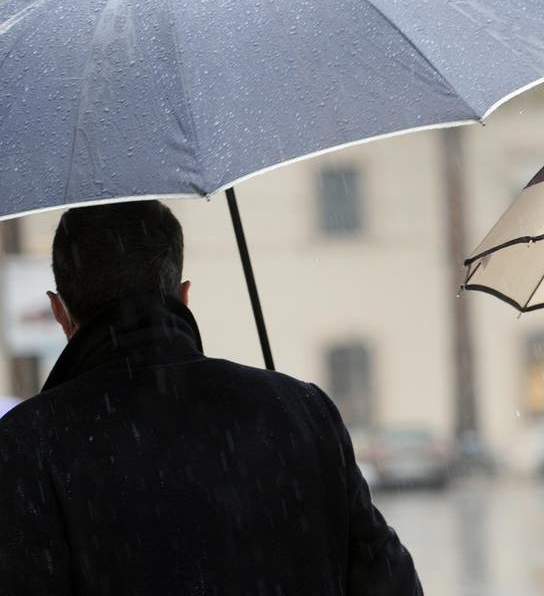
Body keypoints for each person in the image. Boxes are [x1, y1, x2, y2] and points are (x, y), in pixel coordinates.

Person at [0, 201, 422, 595]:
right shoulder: (303, 412)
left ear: (59, 312)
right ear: (183, 296)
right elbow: (388, 581)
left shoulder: (27, 446)